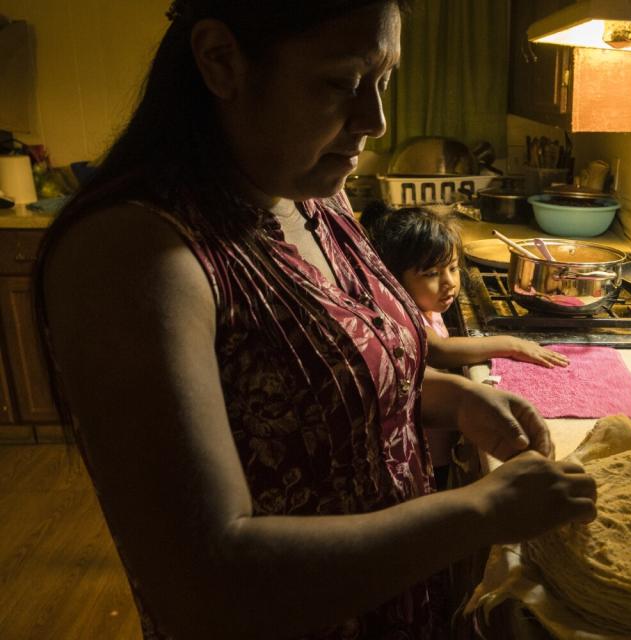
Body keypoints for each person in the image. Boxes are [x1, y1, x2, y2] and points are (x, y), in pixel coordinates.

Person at [32, 2, 597, 639]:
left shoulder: (318, 193)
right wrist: (483, 509)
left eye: (384, 80)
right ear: (220, 60)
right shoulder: (134, 253)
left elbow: (312, 396)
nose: (375, 122)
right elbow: (204, 585)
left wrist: (454, 400)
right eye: (341, 83)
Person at [361, 201, 570, 369]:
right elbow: (438, 351)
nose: (450, 282)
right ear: (394, 278)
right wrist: (511, 345)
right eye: (432, 274)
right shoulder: (404, 315)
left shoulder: (425, 302)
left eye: (453, 268)